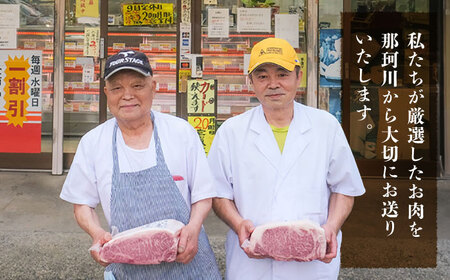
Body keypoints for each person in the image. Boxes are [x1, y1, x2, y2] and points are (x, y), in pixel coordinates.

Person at [208, 38, 366, 279]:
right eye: (262, 77)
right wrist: (238, 223)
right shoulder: (231, 132)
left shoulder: (326, 126)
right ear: (250, 82)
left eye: (282, 74)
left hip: (313, 263)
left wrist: (332, 227)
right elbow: (219, 194)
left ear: (298, 77)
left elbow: (344, 187)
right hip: (252, 263)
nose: (273, 84)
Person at [60, 49, 221, 279]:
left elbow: (203, 194)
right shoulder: (93, 143)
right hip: (129, 267)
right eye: (117, 88)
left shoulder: (181, 132)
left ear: (153, 87)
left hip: (189, 261)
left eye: (137, 85)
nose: (127, 95)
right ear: (106, 92)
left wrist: (194, 227)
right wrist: (96, 233)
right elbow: (82, 204)